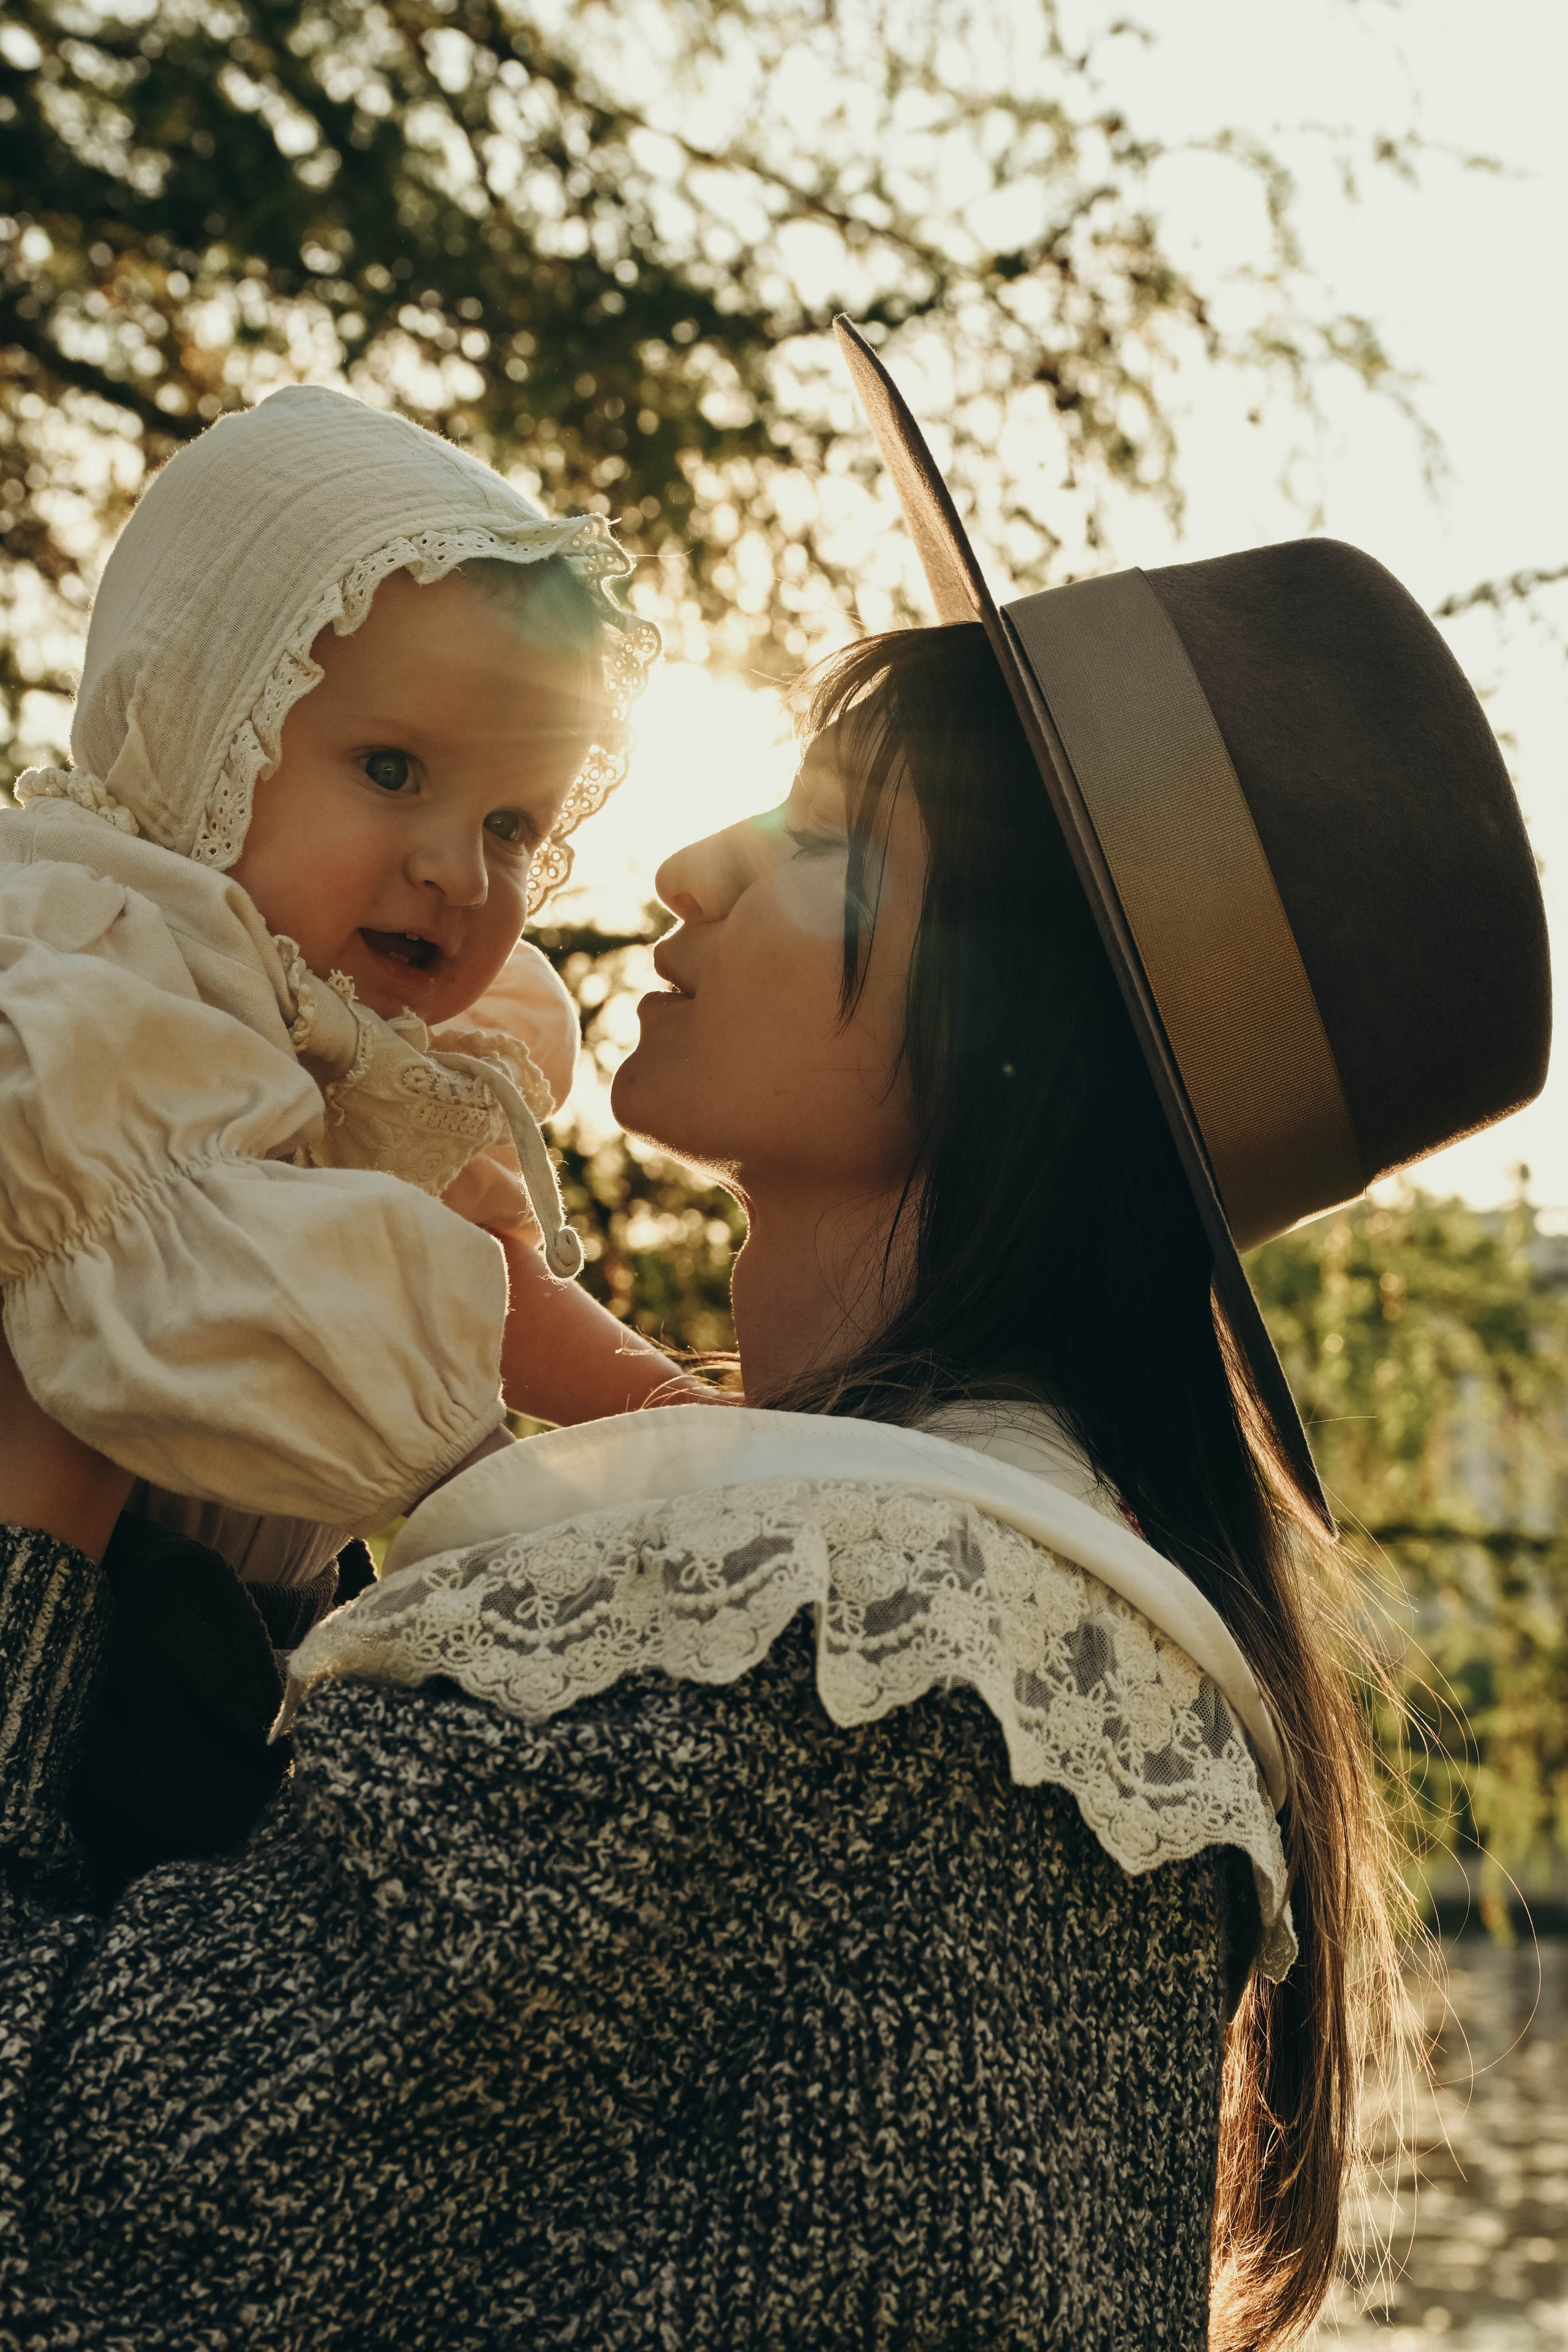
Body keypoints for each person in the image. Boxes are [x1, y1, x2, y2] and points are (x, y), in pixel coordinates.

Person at [0, 328, 1551, 2349]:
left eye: (832, 843)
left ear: (1012, 1041)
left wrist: (35, 1505)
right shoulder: (976, 1622)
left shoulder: (829, 1647)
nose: (676, 865)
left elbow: (68, 2204)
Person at [0, 384, 682, 1890]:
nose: (455, 868)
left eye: (514, 824)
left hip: (229, 1638)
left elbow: (495, 1281)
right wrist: (498, 1479)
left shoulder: (360, 1049)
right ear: (200, 729)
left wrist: (680, 1419)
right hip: (80, 1599)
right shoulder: (96, 956)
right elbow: (250, 1290)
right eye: (391, 772)